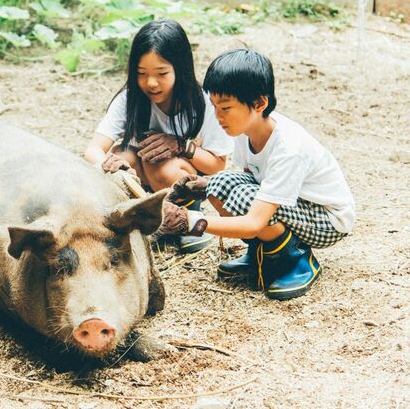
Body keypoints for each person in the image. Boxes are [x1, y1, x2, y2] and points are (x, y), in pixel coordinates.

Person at [169, 49, 355, 300]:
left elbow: (254, 220)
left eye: (225, 107)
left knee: (246, 200)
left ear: (259, 104)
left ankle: (296, 261)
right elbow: (245, 182)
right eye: (214, 107)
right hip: (295, 205)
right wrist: (202, 186)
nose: (218, 116)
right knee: (220, 184)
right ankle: (261, 252)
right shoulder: (244, 131)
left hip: (327, 218)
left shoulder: (288, 148)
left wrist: (188, 222)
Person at [83, 19, 233, 253]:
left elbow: (217, 166)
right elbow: (93, 150)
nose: (151, 83)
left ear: (180, 69)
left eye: (162, 73)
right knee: (122, 154)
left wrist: (182, 146)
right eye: (142, 73)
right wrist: (111, 165)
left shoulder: (203, 102)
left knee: (160, 165)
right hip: (139, 182)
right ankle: (140, 216)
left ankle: (186, 216)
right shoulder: (130, 98)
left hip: (181, 181)